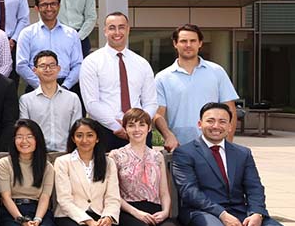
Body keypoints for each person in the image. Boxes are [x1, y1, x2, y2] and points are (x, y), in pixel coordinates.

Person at [154, 24, 239, 150]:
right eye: (183, 41)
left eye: (193, 41)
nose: (188, 45)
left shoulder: (217, 71)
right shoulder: (162, 77)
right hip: (180, 147)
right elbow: (157, 114)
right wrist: (168, 136)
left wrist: (228, 144)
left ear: (200, 43)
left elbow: (230, 109)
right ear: (175, 44)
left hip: (213, 146)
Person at [79, 12, 157, 150]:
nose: (117, 32)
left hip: (139, 133)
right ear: (105, 31)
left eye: (121, 27)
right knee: (107, 172)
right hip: (105, 131)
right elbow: (91, 103)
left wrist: (139, 125)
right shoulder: (91, 62)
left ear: (128, 30)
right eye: (112, 28)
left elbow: (150, 102)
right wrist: (117, 126)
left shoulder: (142, 63)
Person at [15, 0, 83, 91]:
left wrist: (65, 86)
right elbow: (21, 65)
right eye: (44, 5)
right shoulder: (27, 33)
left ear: (59, 6)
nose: (49, 8)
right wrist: (41, 87)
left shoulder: (72, 34)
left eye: (53, 4)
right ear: (37, 8)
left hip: (66, 87)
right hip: (36, 87)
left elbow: (78, 64)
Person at [19, 49, 82, 152]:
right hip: (37, 155)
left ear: (58, 69)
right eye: (43, 66)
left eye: (52, 65)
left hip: (66, 155)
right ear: (35, 70)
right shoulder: (26, 100)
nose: (48, 69)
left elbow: (77, 130)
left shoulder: (72, 98)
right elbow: (25, 132)